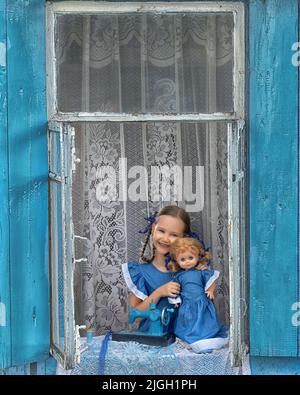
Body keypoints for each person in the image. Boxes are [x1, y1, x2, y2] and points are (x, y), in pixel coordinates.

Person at [121, 205, 206, 333]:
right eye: (161, 231)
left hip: (184, 342)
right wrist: (159, 292)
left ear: (183, 239)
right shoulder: (140, 273)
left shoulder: (191, 272)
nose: (165, 239)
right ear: (152, 229)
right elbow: (135, 316)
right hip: (152, 341)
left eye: (174, 235)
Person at [167, 237, 229, 353]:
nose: (187, 261)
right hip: (187, 304)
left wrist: (210, 290)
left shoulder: (201, 272)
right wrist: (175, 300)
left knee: (204, 319)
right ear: (177, 260)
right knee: (188, 321)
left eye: (190, 258)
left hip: (202, 301)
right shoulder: (179, 276)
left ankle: (206, 336)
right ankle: (192, 338)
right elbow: (175, 289)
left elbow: (212, 280)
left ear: (197, 256)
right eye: (183, 259)